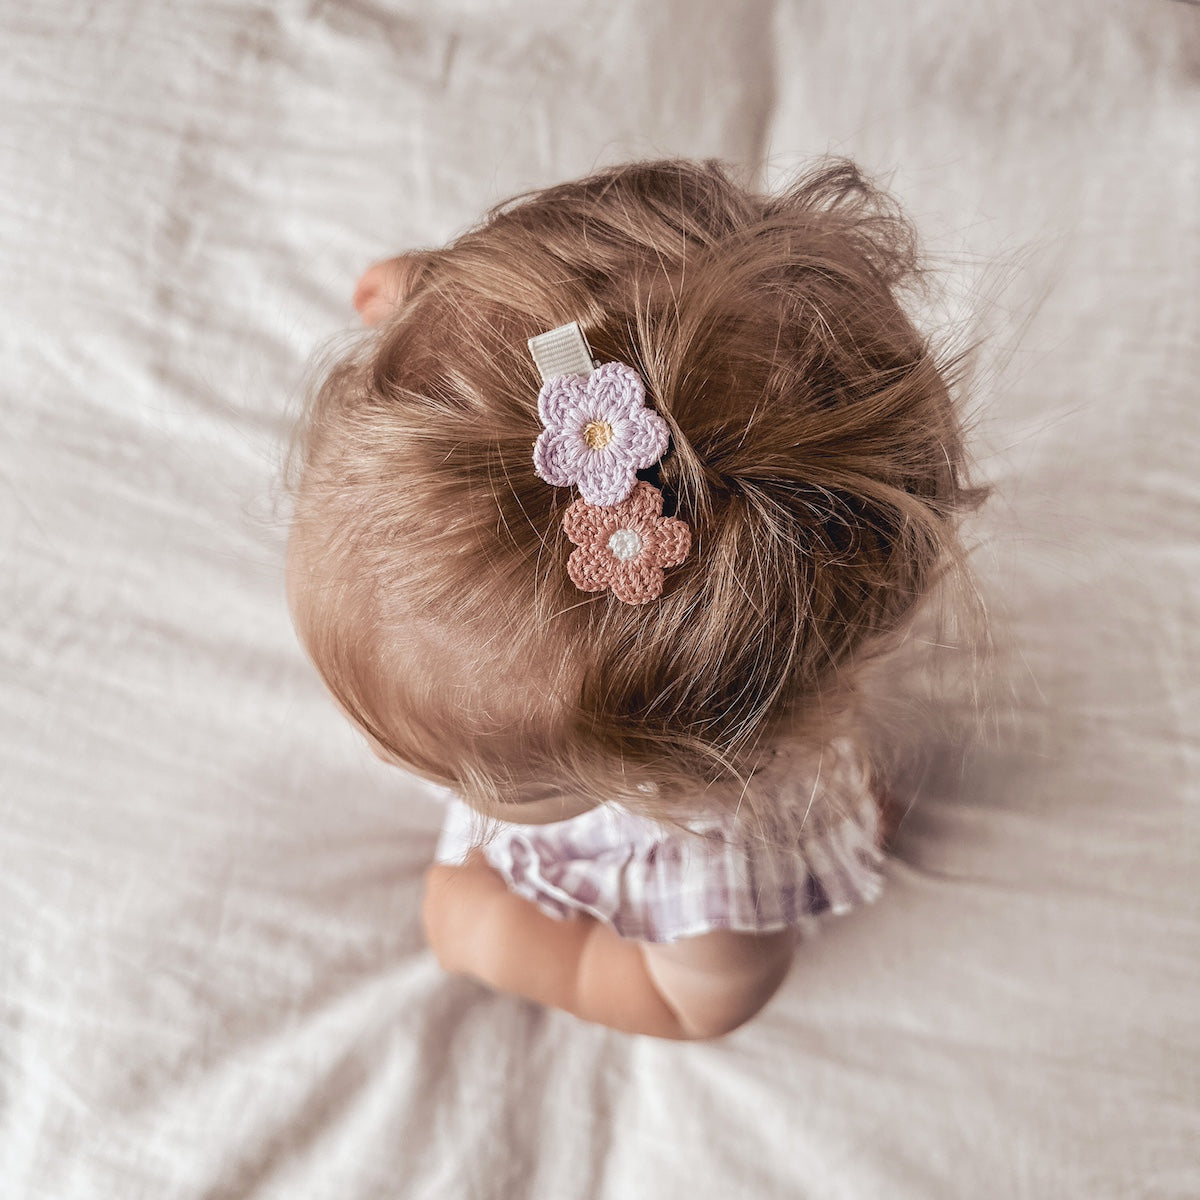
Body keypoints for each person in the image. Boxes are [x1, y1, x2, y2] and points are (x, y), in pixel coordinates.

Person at [287, 158, 983, 1040]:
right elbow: (546, 329)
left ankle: (855, 812)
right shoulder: (550, 365)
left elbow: (695, 1001)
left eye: (459, 769)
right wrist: (431, 309)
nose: (384, 757)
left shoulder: (711, 860)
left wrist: (501, 937)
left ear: (665, 774)